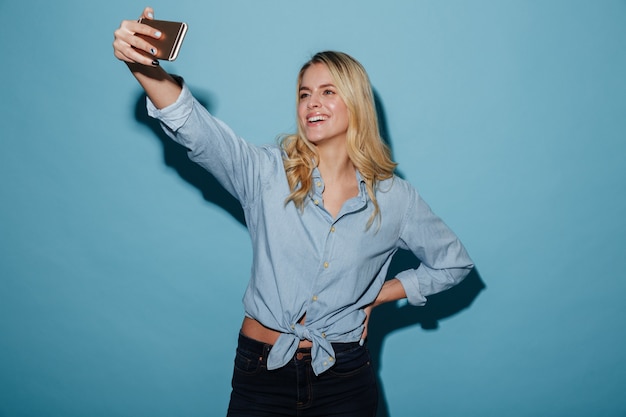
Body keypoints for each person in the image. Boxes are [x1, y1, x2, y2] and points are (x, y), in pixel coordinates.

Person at [113, 7, 474, 417]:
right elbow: (199, 131)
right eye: (304, 94)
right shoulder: (266, 172)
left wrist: (377, 295)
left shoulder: (395, 198)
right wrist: (145, 69)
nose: (312, 104)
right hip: (260, 372)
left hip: (345, 380)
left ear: (355, 102)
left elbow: (453, 265)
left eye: (327, 91)